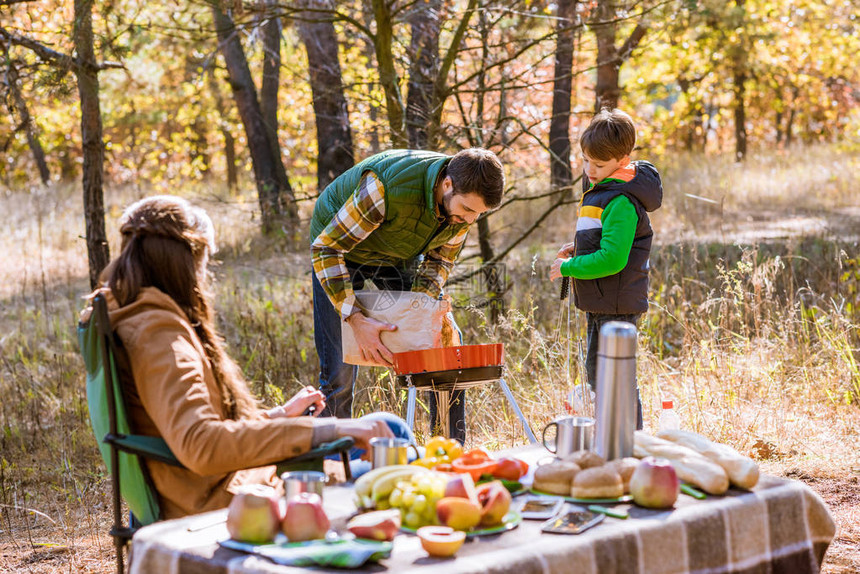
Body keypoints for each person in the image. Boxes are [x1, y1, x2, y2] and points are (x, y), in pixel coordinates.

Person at [85, 195, 408, 520]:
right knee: (404, 459)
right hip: (229, 497)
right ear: (187, 260)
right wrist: (331, 430)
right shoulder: (159, 335)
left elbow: (187, 427)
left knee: (389, 427)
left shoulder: (135, 317)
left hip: (215, 482)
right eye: (204, 262)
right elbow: (202, 444)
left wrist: (279, 415)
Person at [310, 148, 505, 443]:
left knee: (442, 344)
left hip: (396, 251)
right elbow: (326, 248)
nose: (470, 219)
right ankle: (335, 456)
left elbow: (439, 263)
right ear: (448, 184)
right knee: (339, 370)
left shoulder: (463, 211)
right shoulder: (384, 190)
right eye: (467, 209)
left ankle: (448, 447)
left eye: (478, 214)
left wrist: (419, 313)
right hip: (339, 251)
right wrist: (356, 319)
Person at [549, 109, 663, 429]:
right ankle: (611, 441)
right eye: (586, 161)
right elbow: (602, 241)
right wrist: (578, 250)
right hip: (601, 301)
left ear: (623, 159)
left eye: (598, 165)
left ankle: (631, 443)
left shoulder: (621, 201)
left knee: (616, 379)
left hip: (616, 305)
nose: (590, 170)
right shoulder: (602, 192)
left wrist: (570, 266)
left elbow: (613, 259)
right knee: (599, 377)